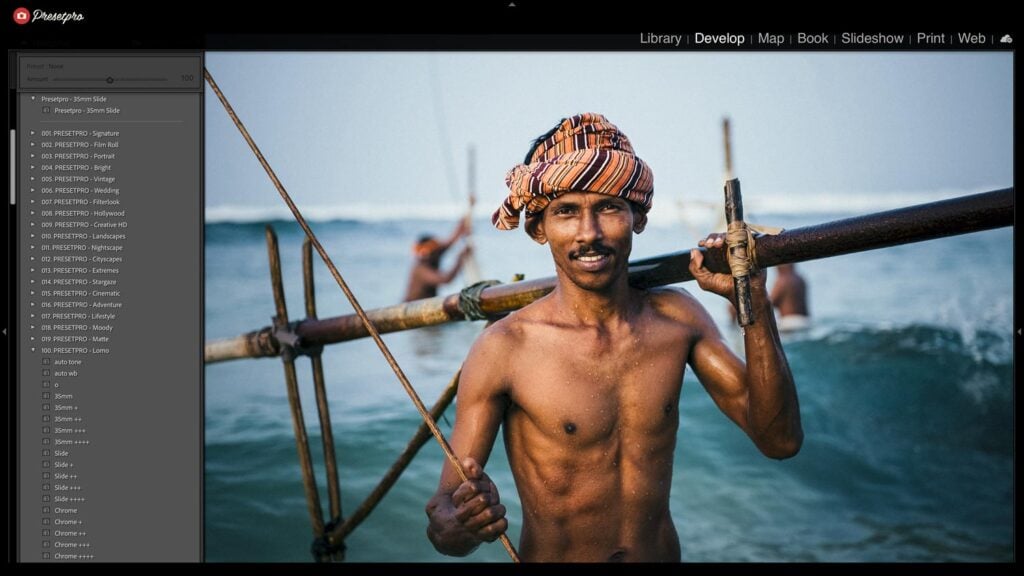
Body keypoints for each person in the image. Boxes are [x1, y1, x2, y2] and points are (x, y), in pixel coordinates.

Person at [424, 113, 802, 562]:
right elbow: (444, 521)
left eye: (608, 208)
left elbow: (779, 440)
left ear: (637, 217)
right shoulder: (506, 347)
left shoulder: (678, 318)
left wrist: (753, 303)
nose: (589, 233)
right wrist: (465, 523)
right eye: (566, 211)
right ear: (538, 228)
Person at [403, 219, 472, 302]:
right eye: (436, 251)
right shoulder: (420, 269)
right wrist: (460, 259)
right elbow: (446, 279)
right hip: (413, 310)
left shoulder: (432, 255)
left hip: (426, 306)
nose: (438, 252)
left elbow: (450, 242)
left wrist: (462, 225)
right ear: (426, 253)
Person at [770, 263, 811, 332]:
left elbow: (770, 303)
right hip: (806, 321)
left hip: (789, 323)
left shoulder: (782, 281)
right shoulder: (801, 279)